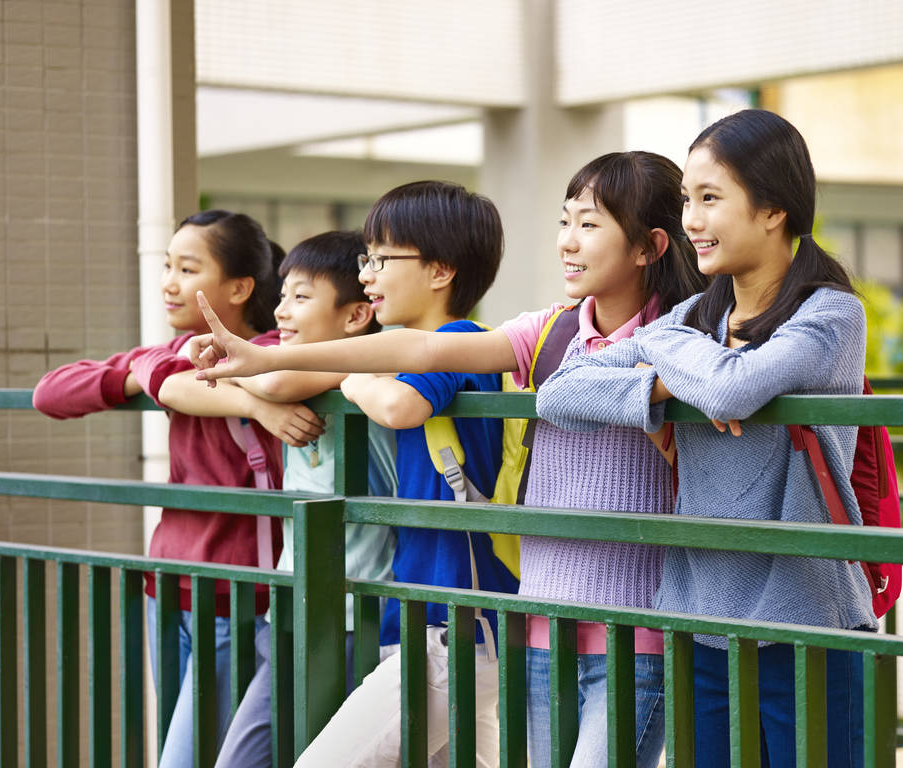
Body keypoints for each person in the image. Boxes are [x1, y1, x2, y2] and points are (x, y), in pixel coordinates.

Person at [187, 153, 708, 767]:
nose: (568, 242)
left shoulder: (686, 334)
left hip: (618, 630)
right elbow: (417, 348)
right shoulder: (551, 332)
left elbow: (413, 386)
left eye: (589, 225)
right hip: (538, 622)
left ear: (648, 246)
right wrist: (262, 358)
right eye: (564, 222)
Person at [536, 110, 875, 767]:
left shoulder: (830, 312)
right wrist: (661, 385)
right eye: (689, 199)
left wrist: (664, 350)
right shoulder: (694, 317)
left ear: (774, 208)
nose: (692, 219)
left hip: (803, 613)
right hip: (698, 616)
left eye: (710, 199)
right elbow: (559, 393)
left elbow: (729, 392)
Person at [197, 180, 518, 766]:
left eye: (382, 258)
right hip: (439, 619)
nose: (367, 272)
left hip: (453, 624)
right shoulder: (410, 345)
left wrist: (349, 376)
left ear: (441, 271)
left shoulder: (458, 339)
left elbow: (400, 407)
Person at [31, 210, 317, 767]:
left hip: (238, 596)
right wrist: (150, 367)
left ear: (238, 287)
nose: (168, 282)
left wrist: (227, 389)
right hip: (170, 591)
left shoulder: (267, 353)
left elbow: (206, 383)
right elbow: (50, 394)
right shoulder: (178, 353)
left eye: (187, 268)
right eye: (168, 265)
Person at [156, 230, 398, 768]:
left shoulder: (358, 369)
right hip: (291, 609)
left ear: (357, 316)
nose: (282, 311)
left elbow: (276, 379)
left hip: (354, 619)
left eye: (301, 297)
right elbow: (173, 387)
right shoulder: (291, 366)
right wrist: (249, 387)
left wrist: (230, 365)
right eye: (283, 294)